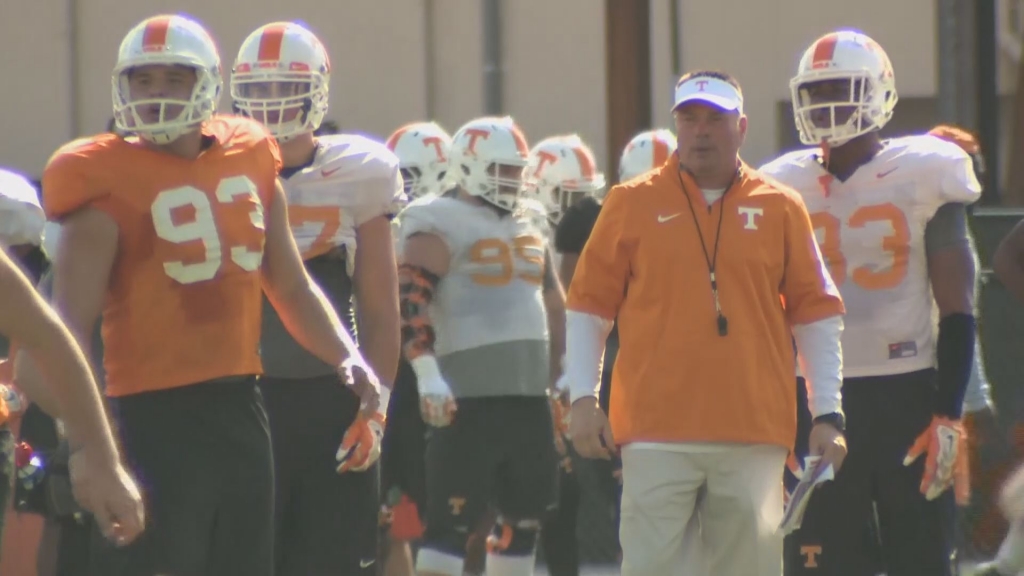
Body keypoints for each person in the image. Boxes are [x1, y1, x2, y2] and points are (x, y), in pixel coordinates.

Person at [29, 14, 381, 576]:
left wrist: (347, 357)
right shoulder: (100, 185)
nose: (158, 94)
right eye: (144, 81)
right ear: (123, 87)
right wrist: (90, 446)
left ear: (209, 86)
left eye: (174, 79)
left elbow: (289, 284)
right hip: (147, 419)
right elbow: (58, 340)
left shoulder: (251, 155)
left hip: (242, 410)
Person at [565, 69, 848, 576]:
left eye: (714, 119)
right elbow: (589, 305)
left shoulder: (781, 205)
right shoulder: (630, 201)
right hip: (654, 429)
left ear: (740, 127)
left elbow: (816, 313)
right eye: (689, 118)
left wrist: (828, 412)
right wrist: (582, 398)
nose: (700, 131)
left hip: (753, 429)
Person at [759, 30, 980, 576]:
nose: (828, 104)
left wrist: (949, 412)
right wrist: (774, 413)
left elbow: (958, 302)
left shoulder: (925, 169)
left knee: (923, 561)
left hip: (906, 393)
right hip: (814, 401)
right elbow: (759, 310)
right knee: (817, 562)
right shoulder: (779, 183)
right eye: (817, 91)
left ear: (878, 92)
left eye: (842, 88)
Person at [231, 21, 403, 575]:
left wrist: (375, 409)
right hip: (239, 398)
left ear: (317, 90)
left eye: (286, 87)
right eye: (258, 90)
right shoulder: (215, 168)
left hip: (328, 401)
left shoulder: (358, 173)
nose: (272, 103)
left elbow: (379, 310)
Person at [397, 115, 566, 576]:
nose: (511, 179)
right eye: (501, 169)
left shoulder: (530, 219)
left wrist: (564, 377)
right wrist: (427, 372)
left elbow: (552, 300)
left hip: (528, 398)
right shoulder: (438, 219)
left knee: (522, 525)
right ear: (467, 166)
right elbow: (411, 301)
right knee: (450, 530)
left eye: (516, 169)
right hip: (466, 401)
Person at [524, 133, 606, 576]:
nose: (576, 209)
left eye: (582, 197)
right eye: (565, 197)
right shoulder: (520, 237)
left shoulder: (586, 239)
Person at [382, 120, 453, 576]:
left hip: (435, 372)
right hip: (400, 374)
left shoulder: (454, 226)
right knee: (393, 516)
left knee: (444, 514)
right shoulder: (380, 224)